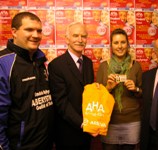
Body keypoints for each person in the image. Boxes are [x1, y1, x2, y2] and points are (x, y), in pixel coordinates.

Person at [0, 12, 54, 150]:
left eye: (39, 31)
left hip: (46, 143)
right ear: (14, 32)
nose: (36, 35)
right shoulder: (4, 64)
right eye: (29, 30)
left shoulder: (40, 60)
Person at [48, 22, 95, 150]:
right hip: (67, 133)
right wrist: (83, 124)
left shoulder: (88, 63)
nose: (80, 40)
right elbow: (61, 103)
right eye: (75, 36)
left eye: (83, 36)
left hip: (87, 132)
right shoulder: (56, 65)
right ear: (67, 39)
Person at [96, 28, 142, 150]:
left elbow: (142, 93)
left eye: (123, 42)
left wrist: (135, 88)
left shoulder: (136, 65)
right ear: (111, 45)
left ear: (128, 44)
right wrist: (108, 88)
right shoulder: (104, 66)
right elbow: (97, 96)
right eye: (116, 43)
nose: (120, 46)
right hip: (109, 121)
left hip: (132, 121)